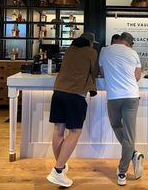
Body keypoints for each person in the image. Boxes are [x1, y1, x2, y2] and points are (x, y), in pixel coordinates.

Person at [47, 32, 98, 187]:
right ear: (91, 42)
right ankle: (57, 170)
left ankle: (60, 169)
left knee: (58, 130)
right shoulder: (91, 52)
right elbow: (95, 72)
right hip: (75, 95)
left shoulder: (69, 49)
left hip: (58, 93)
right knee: (75, 131)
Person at [99, 32, 144, 186]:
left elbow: (103, 73)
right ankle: (123, 171)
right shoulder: (133, 53)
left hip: (113, 97)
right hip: (131, 96)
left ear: (119, 40)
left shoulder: (104, 51)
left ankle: (131, 156)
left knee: (116, 125)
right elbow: (137, 76)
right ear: (129, 44)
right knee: (130, 136)